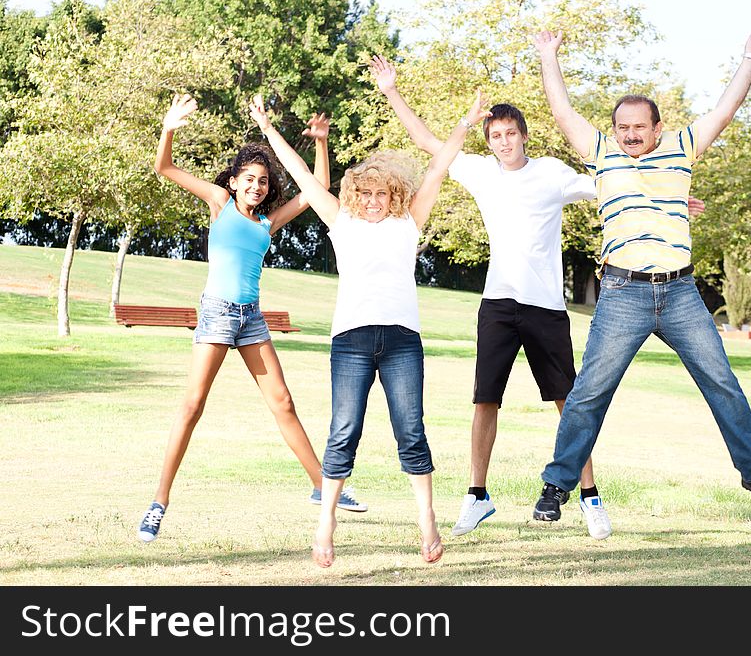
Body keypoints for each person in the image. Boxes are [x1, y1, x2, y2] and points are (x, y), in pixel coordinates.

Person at [371, 55, 691, 539]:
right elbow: (427, 142)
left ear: (524, 135)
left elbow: (614, 180)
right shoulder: (479, 172)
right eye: (494, 135)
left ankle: (589, 497)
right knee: (485, 402)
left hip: (546, 308)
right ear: (489, 140)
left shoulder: (553, 174)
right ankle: (477, 497)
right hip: (497, 304)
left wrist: (668, 195)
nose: (503, 142)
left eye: (510, 133)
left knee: (571, 402)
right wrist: (392, 91)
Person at [530, 28, 751, 525]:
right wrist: (549, 57)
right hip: (621, 293)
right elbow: (563, 112)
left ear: (657, 127)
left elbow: (724, 109)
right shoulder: (602, 153)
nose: (630, 134)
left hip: (680, 292)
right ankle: (557, 485)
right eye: (622, 127)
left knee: (721, 381)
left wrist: (749, 61)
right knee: (590, 391)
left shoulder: (683, 148)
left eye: (639, 126)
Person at [249, 90, 491, 567]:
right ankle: (327, 523)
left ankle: (427, 520)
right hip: (352, 341)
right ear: (354, 195)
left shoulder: (409, 222)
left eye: (382, 193)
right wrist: (267, 128)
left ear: (395, 195)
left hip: (402, 341)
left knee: (411, 431)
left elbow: (439, 166)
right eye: (366, 193)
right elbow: (300, 173)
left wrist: (464, 124)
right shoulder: (342, 222)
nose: (374, 201)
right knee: (343, 432)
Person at [137, 93, 365, 543]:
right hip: (218, 313)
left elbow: (316, 190)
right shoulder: (219, 202)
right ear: (236, 180)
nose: (257, 187)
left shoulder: (266, 222)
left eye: (263, 182)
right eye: (251, 179)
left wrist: (320, 143)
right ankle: (158, 502)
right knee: (192, 406)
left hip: (251, 319)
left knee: (283, 403)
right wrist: (168, 128)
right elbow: (165, 168)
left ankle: (322, 487)